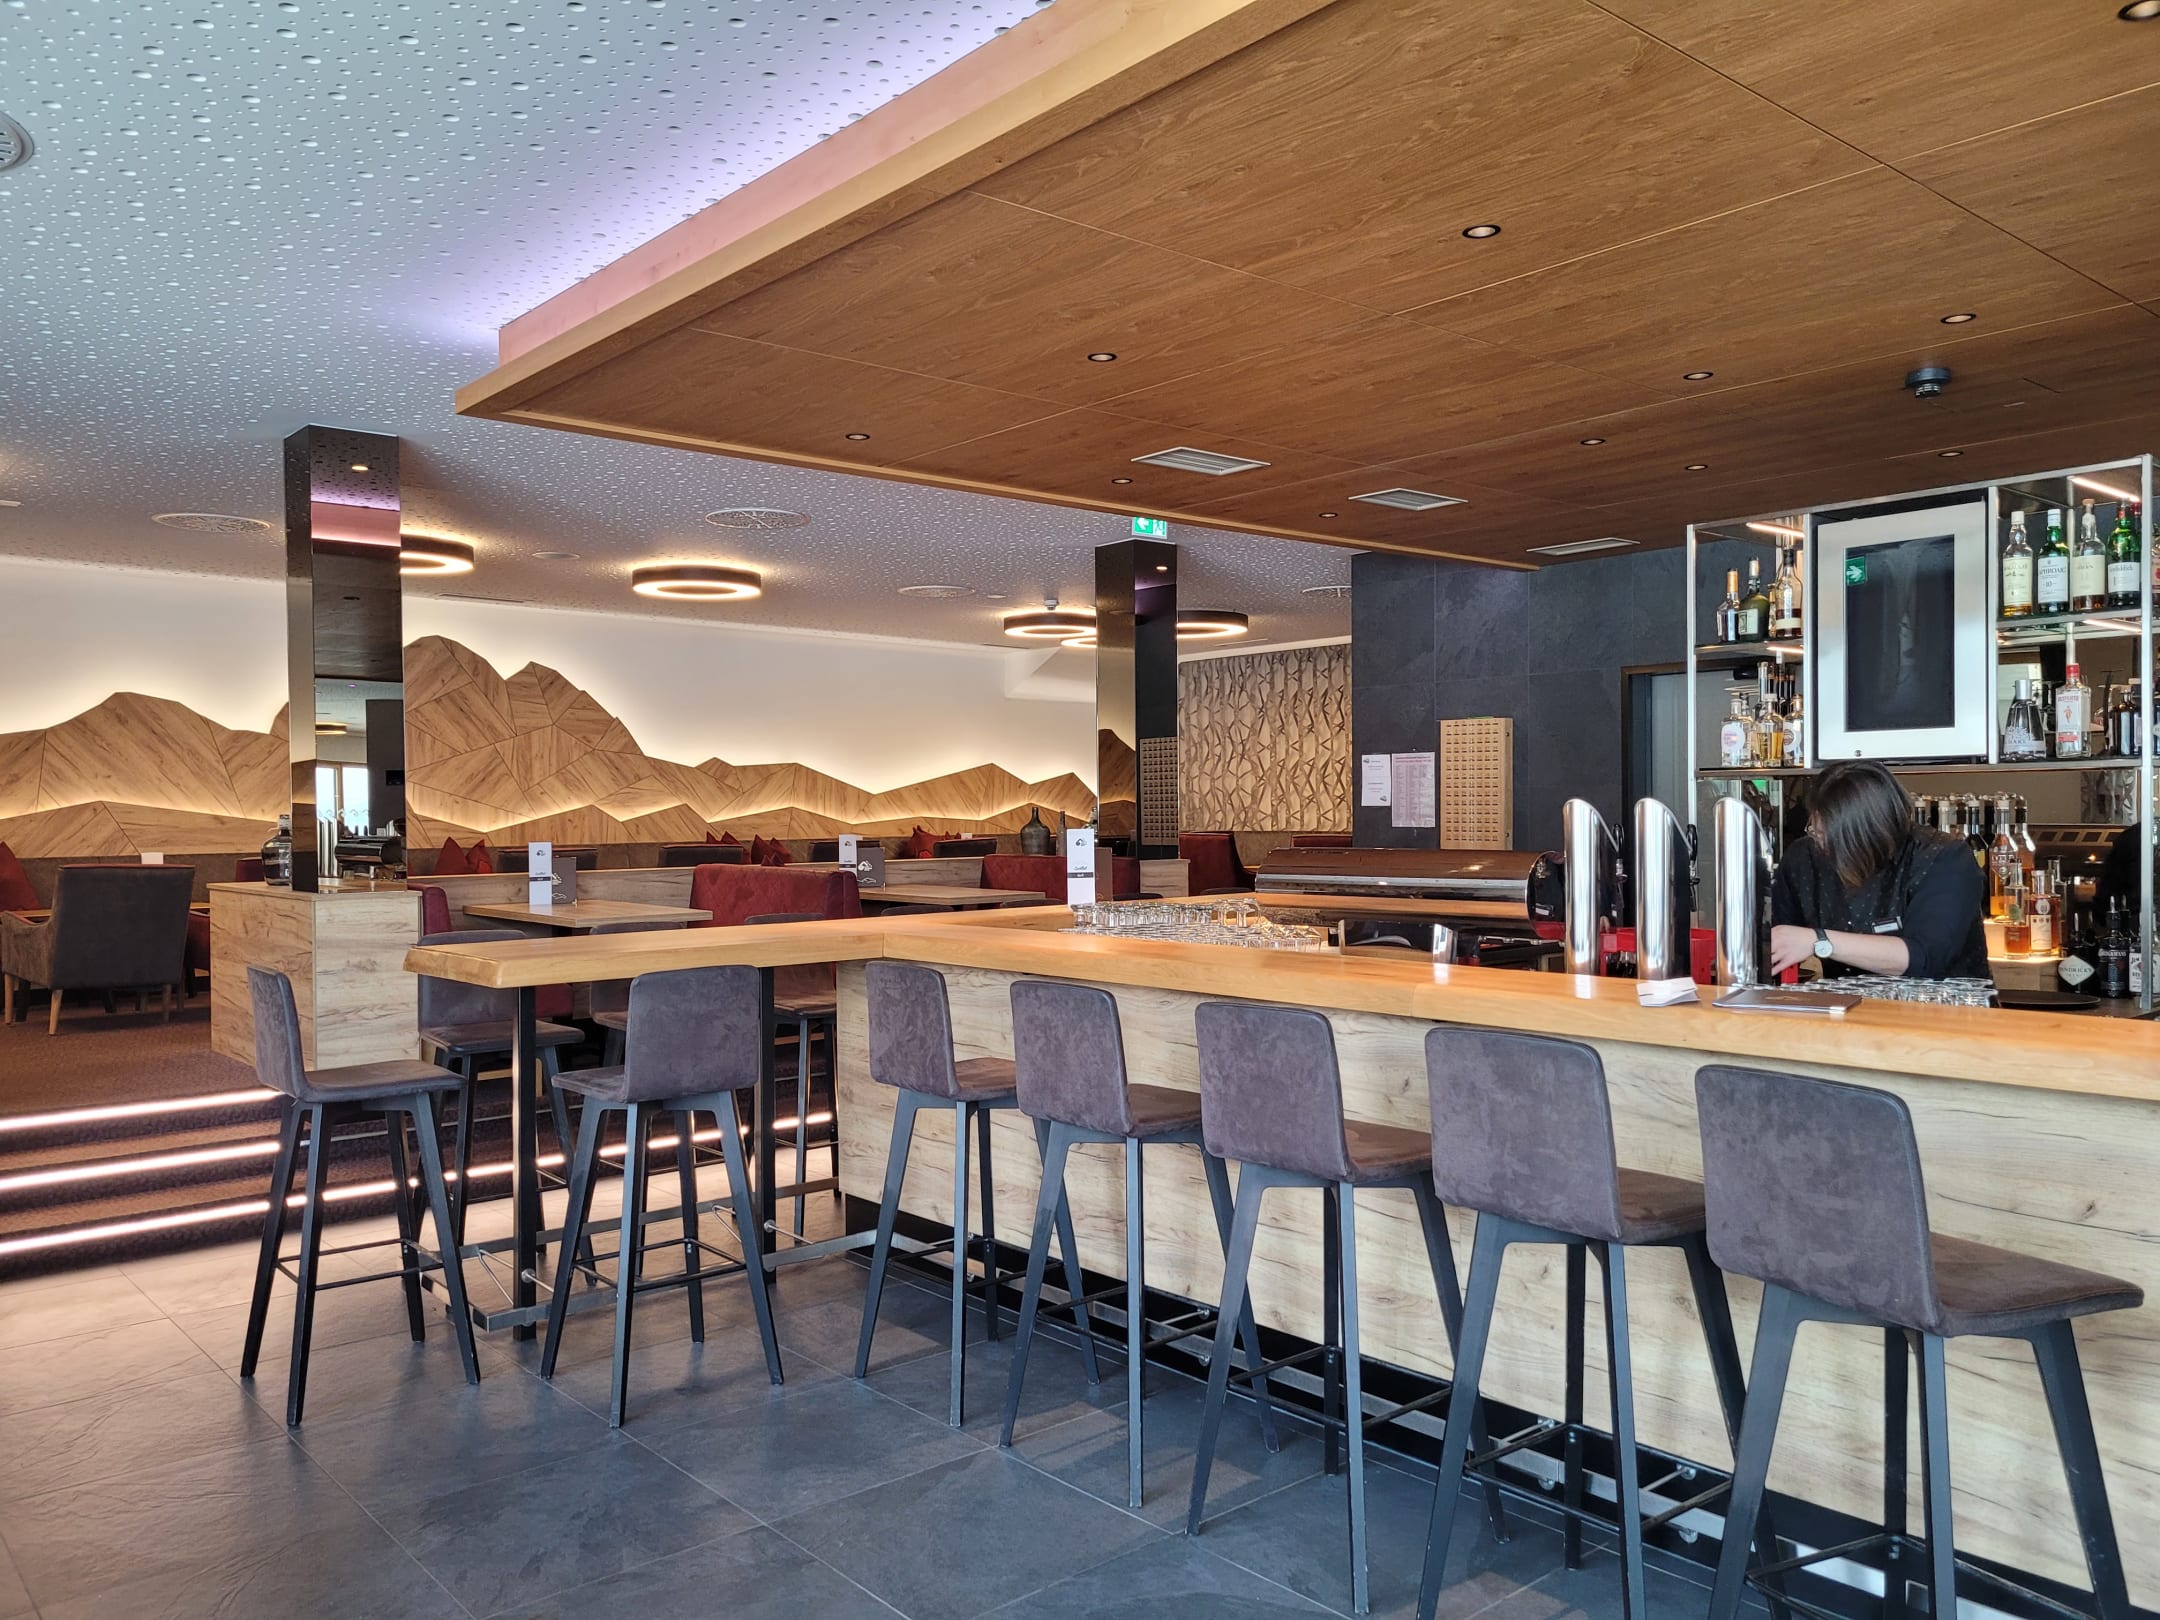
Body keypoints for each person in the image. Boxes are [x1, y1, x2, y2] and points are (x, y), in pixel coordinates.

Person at [1768, 761, 1990, 980]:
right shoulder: (1804, 859)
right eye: (1816, 831)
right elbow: (1777, 943)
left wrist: (1819, 941)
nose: (1821, 841)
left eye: (1834, 836)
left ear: (1872, 832)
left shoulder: (1945, 858)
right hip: (1847, 1002)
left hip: (1945, 1002)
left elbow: (1923, 958)